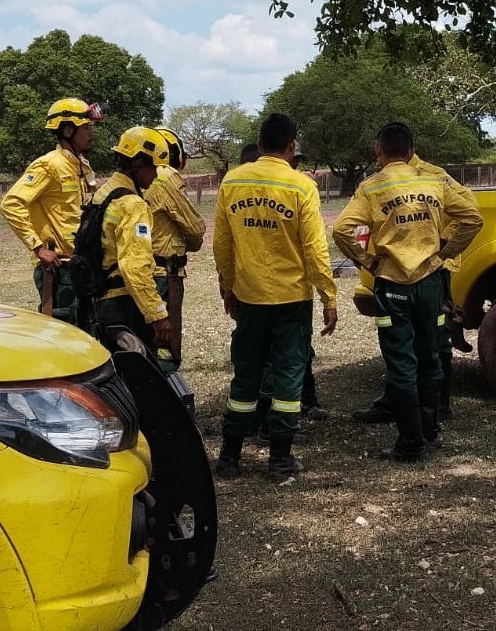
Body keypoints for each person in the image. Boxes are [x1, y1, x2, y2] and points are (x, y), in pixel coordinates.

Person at [333, 122, 483, 462]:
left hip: (393, 284)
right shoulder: (435, 181)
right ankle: (429, 433)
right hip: (431, 281)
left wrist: (367, 261)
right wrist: (445, 251)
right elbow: (473, 217)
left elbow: (343, 229)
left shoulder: (372, 187)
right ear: (412, 151)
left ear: (378, 151)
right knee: (430, 354)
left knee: (401, 361)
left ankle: (410, 442)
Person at [213, 113, 338, 480]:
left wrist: (228, 286)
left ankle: (229, 457)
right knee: (287, 377)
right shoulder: (301, 186)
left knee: (246, 376)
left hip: (249, 298)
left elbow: (222, 244)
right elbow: (315, 248)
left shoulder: (232, 182)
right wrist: (328, 296)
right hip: (291, 301)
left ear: (260, 141)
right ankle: (280, 459)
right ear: (291, 145)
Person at [352, 138, 476, 424]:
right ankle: (395, 404)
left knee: (434, 340)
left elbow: (469, 209)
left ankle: (437, 406)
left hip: (431, 270)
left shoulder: (433, 175)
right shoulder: (386, 179)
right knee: (400, 341)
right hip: (399, 271)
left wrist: (446, 246)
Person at [0, 97, 102, 324]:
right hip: (59, 270)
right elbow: (11, 203)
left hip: (80, 264)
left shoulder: (81, 165)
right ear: (67, 131)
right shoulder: (49, 164)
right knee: (62, 331)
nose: (90, 134)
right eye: (85, 128)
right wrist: (38, 248)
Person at [90, 126, 172, 355]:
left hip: (103, 305)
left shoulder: (104, 193)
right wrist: (157, 315)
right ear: (137, 163)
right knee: (140, 380)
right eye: (153, 167)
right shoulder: (133, 204)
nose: (156, 175)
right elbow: (134, 266)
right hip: (126, 306)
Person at [144, 127, 206, 371]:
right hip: (163, 274)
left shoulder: (135, 177)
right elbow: (195, 228)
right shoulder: (166, 176)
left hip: (143, 270)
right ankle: (164, 386)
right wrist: (193, 243)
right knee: (166, 343)